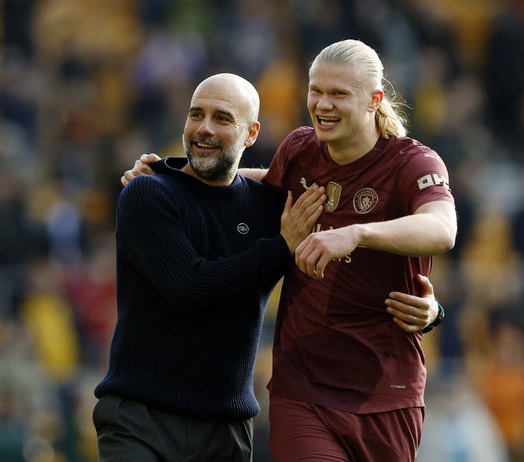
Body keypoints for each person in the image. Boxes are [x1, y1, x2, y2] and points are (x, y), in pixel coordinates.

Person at [123, 38, 456, 461]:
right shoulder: (301, 151)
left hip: (386, 390)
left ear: (374, 100)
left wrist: (356, 234)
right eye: (316, 90)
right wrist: (167, 172)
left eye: (338, 93)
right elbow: (243, 179)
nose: (323, 104)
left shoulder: (414, 164)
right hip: (303, 390)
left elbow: (442, 229)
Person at [93, 73, 328, 462]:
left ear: (251, 133)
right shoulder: (147, 193)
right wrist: (281, 247)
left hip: (227, 432)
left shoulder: (271, 210)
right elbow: (189, 286)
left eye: (221, 118)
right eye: (196, 114)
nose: (203, 128)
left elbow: (353, 249)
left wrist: (428, 309)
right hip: (140, 421)